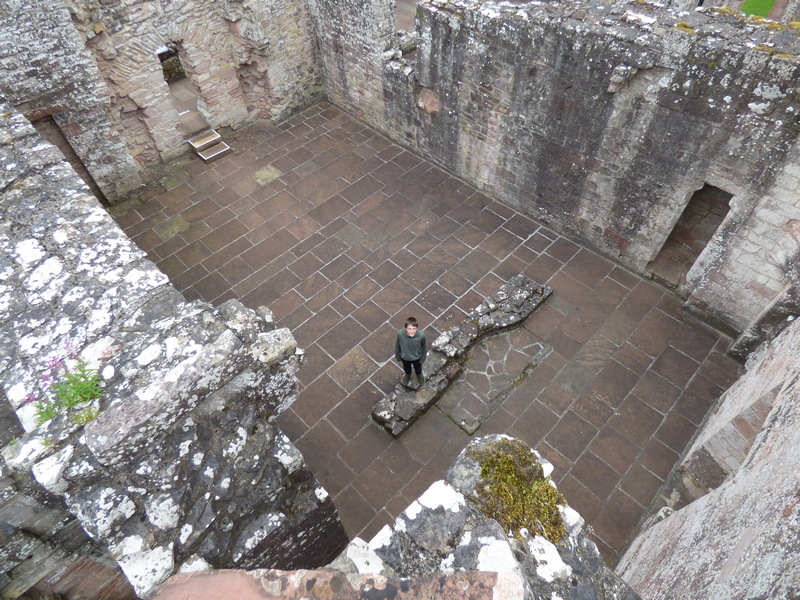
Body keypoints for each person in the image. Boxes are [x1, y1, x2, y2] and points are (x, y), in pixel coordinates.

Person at [394, 316, 427, 387]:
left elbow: (424, 347)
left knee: (418, 368)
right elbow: (397, 345)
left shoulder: (421, 336)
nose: (412, 331)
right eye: (409, 329)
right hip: (405, 357)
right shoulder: (400, 334)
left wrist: (422, 358)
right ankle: (407, 375)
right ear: (405, 329)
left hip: (417, 357)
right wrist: (398, 356)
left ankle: (419, 374)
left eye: (414, 329)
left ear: (417, 328)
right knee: (407, 368)